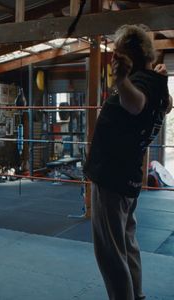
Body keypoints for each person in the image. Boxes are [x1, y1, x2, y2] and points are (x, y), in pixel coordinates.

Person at [84, 24, 172, 300]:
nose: (114, 58)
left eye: (118, 53)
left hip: (112, 177)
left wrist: (121, 81)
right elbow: (167, 104)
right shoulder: (154, 81)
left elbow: (137, 105)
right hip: (126, 177)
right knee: (127, 243)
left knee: (110, 252)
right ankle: (137, 295)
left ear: (131, 53)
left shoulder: (139, 84)